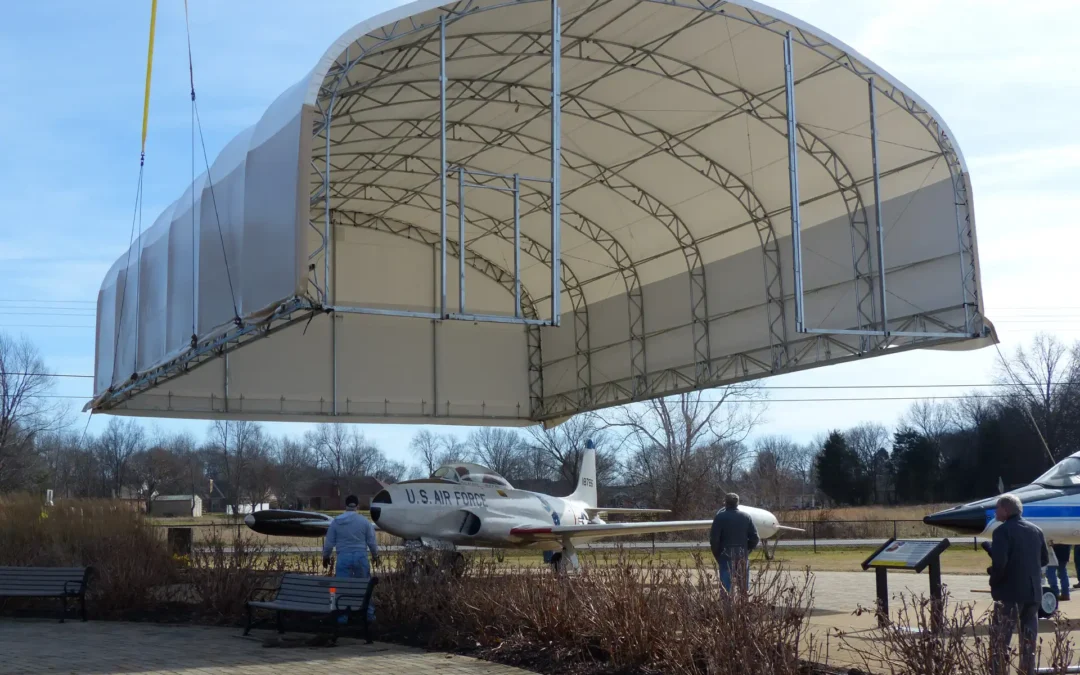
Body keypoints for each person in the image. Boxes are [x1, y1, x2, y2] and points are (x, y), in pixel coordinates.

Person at [988, 493, 1048, 675]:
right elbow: (1044, 559)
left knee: (1000, 641)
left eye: (997, 507)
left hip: (1010, 594)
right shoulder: (1036, 530)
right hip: (1033, 593)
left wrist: (994, 581)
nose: (995, 511)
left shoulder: (1002, 532)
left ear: (1005, 510)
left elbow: (1000, 563)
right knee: (1028, 642)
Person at [322, 495, 379, 624]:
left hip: (343, 557)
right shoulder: (364, 521)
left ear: (345, 506)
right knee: (365, 586)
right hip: (360, 557)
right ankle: (368, 614)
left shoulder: (336, 522)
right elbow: (372, 542)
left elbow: (329, 543)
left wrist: (326, 556)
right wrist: (376, 555)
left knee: (342, 587)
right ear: (357, 506)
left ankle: (342, 617)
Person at [709, 493, 759, 592]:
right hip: (742, 555)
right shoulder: (746, 517)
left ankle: (726, 607)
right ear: (737, 503)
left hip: (725, 555)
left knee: (726, 589)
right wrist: (746, 549)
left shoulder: (719, 517)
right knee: (743, 589)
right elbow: (755, 538)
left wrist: (717, 554)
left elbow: (714, 540)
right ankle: (742, 606)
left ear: (725, 503)